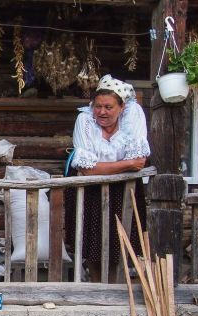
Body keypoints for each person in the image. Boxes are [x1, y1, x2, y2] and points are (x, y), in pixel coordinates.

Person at [65, 75, 151, 282]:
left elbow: (139, 161)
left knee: (121, 240)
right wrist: (126, 165)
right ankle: (97, 285)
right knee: (92, 243)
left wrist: (103, 167)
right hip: (90, 190)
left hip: (124, 190)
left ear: (121, 107)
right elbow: (87, 170)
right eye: (98, 106)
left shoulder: (133, 117)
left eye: (108, 107)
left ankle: (118, 285)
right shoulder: (85, 120)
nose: (101, 112)